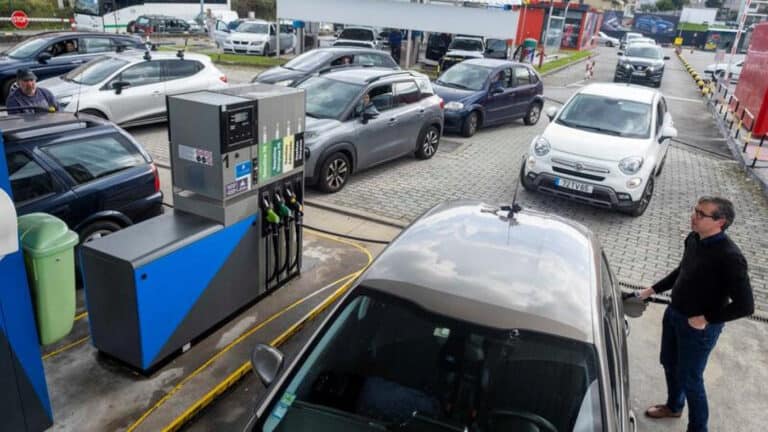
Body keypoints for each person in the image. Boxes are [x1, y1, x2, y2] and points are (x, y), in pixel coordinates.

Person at [637, 196, 753, 432]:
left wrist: (706, 319)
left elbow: (745, 305)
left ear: (720, 222)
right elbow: (682, 271)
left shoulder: (730, 257)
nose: (694, 216)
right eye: (695, 211)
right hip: (674, 314)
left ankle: (698, 428)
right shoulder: (693, 238)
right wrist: (652, 289)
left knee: (691, 379)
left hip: (699, 328)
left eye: (702, 214)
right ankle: (674, 406)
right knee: (669, 363)